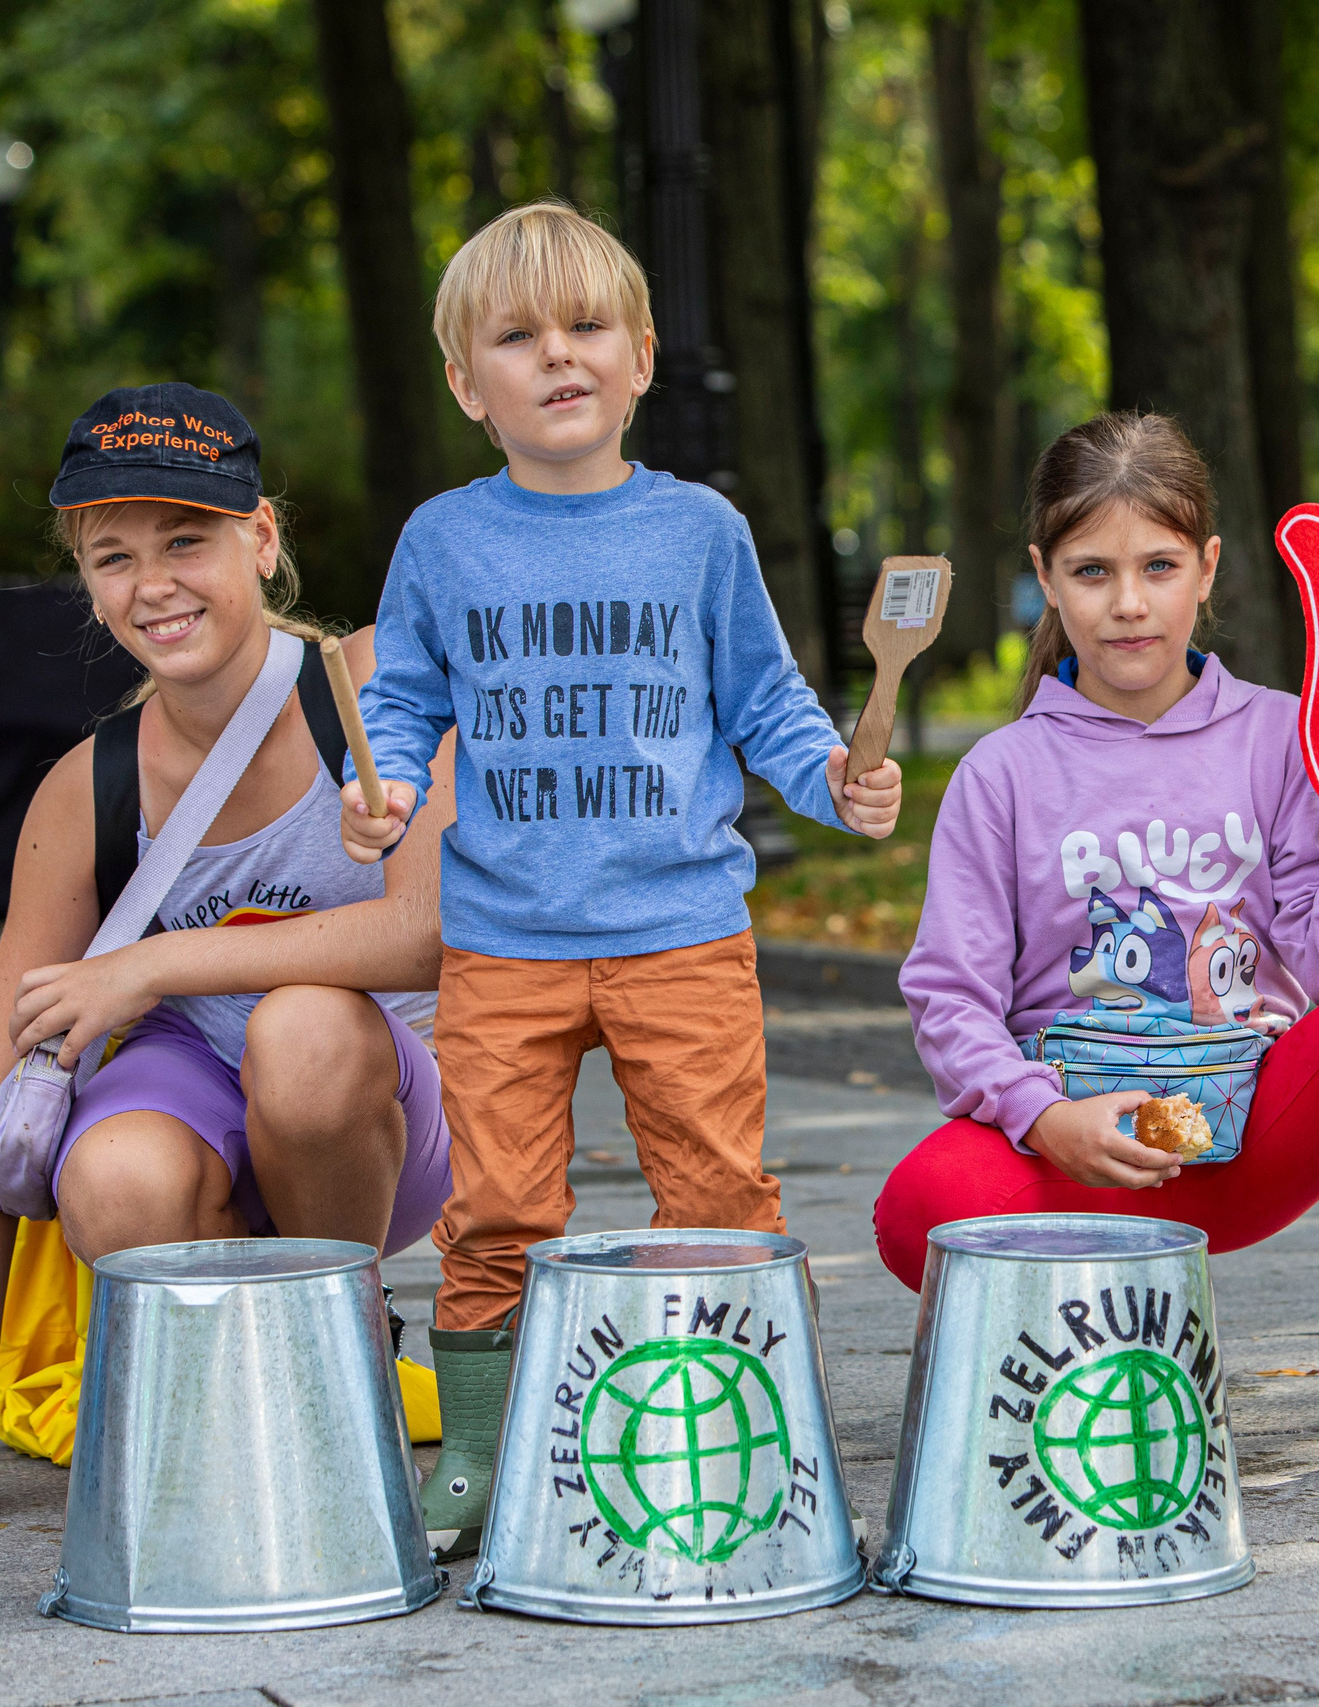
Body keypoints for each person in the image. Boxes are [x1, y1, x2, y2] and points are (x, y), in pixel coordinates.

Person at [334, 200, 904, 1560]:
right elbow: (401, 699)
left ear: (642, 355)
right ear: (472, 385)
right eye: (519, 337)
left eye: (588, 325)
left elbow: (766, 702)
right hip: (501, 939)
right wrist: (389, 786)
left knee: (718, 1189)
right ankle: (476, 1446)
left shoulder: (701, 530)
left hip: (682, 930)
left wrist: (838, 778)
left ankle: (754, 1422)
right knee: (497, 1208)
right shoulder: (443, 539)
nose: (560, 354)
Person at [877, 412, 1319, 1480]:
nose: (1126, 602)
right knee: (918, 1208)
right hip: (1081, 1151)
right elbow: (949, 998)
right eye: (1091, 570)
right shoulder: (1003, 775)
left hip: (1247, 1125)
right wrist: (1043, 1116)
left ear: (1206, 568)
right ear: (1043, 577)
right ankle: (1081, 1354)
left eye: (1158, 565)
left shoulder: (1281, 736)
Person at [0, 382, 457, 1524]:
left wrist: (151, 966)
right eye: (113, 556)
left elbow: (426, 936)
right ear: (86, 581)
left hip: (376, 1115)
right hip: (193, 1099)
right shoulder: (86, 790)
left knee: (302, 1025)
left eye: (187, 540)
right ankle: (230, 1411)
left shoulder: (374, 685)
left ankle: (348, 1350)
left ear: (262, 538)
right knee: (111, 1171)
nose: (152, 583)